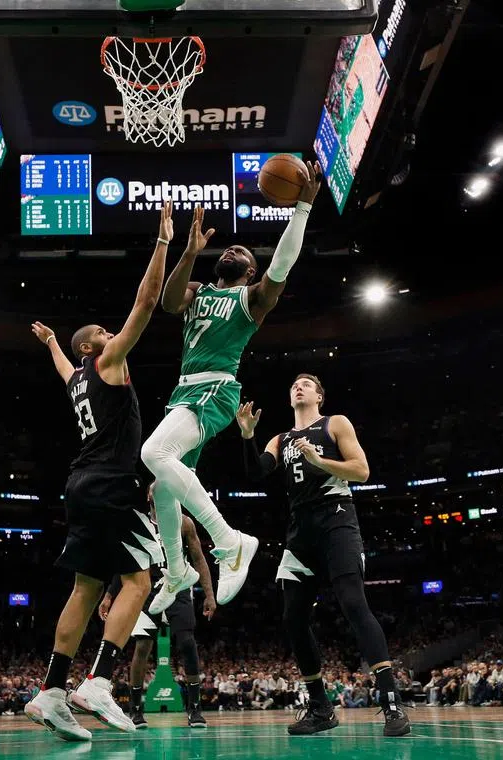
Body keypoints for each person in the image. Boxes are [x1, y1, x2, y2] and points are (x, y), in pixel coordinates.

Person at [142, 161, 324, 616]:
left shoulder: (252, 300)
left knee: (153, 455)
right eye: (232, 248)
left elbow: (282, 263)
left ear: (249, 273)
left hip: (215, 391)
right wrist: (187, 251)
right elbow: (167, 302)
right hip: (184, 393)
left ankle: (229, 540)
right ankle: (177, 568)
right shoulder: (199, 290)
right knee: (164, 487)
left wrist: (301, 208)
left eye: (245, 251)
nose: (235, 249)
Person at [23, 202, 173, 742]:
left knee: (87, 587)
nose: (117, 334)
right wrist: (162, 243)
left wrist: (50, 346)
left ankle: (51, 691)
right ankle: (100, 680)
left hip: (79, 485)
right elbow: (148, 301)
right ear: (94, 347)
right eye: (106, 333)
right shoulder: (108, 364)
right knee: (141, 577)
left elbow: (64, 366)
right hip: (112, 484)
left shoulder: (78, 378)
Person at [236, 374, 411, 737]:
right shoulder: (279, 439)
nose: (297, 387)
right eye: (293, 385)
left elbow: (361, 471)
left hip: (336, 522)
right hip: (300, 532)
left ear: (319, 395)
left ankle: (391, 702)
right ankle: (320, 708)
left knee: (353, 604)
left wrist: (320, 461)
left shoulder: (335, 423)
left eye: (305, 384)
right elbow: (256, 473)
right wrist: (247, 435)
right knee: (292, 618)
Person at [99, 482, 215, 729]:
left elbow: (199, 559)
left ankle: (194, 709)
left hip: (179, 587)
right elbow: (125, 563)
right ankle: (136, 710)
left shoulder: (184, 522)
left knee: (187, 643)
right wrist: (109, 594)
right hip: (147, 590)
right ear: (149, 495)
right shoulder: (139, 523)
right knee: (142, 647)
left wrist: (209, 594)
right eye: (156, 488)